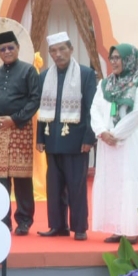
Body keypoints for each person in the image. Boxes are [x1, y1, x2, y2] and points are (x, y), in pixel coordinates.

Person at [91, 44, 138, 244]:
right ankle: (118, 227)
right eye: (112, 58)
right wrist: (102, 131)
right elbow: (94, 109)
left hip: (132, 142)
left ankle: (133, 229)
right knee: (114, 183)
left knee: (131, 181)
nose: (114, 62)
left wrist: (116, 134)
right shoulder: (105, 85)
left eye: (118, 58)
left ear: (130, 60)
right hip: (108, 143)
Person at [37, 32, 97, 241]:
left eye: (62, 49)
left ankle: (79, 227)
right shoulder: (45, 76)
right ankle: (58, 226)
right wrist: (40, 138)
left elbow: (91, 109)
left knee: (76, 187)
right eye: (53, 50)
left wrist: (89, 138)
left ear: (71, 50)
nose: (58, 54)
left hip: (76, 141)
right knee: (54, 187)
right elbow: (41, 109)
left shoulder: (86, 74)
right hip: (52, 139)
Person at [0, 31, 41, 235]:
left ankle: (24, 220)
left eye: (11, 47)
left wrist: (15, 119)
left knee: (22, 177)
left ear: (18, 48)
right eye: (2, 49)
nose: (7, 51)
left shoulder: (29, 71)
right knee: (0, 178)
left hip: (21, 128)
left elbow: (35, 100)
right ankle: (2, 220)